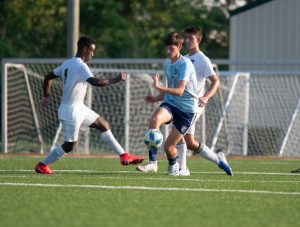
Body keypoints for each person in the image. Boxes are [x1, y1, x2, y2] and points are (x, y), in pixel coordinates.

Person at [35, 36, 144, 174]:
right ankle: (42, 165)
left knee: (103, 124)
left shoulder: (67, 63)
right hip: (71, 111)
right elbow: (95, 82)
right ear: (84, 49)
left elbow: (48, 77)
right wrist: (116, 79)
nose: (93, 54)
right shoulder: (80, 65)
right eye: (91, 51)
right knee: (69, 146)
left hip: (79, 108)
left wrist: (46, 96)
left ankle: (124, 155)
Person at [137, 27, 233, 176]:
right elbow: (172, 86)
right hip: (174, 102)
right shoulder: (179, 59)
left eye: (191, 38)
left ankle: (209, 162)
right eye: (186, 37)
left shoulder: (201, 59)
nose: (188, 40)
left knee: (186, 142)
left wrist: (206, 96)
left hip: (192, 105)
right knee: (187, 141)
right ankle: (174, 166)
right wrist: (156, 98)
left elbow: (215, 81)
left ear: (198, 40)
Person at [137, 32, 199, 176]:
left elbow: (179, 91)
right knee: (154, 120)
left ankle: (174, 166)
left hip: (186, 110)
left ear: (179, 46)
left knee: (168, 147)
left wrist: (159, 87)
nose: (167, 51)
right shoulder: (167, 63)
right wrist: (156, 98)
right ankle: (153, 163)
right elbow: (169, 89)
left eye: (171, 48)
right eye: (166, 48)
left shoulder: (185, 64)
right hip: (171, 104)